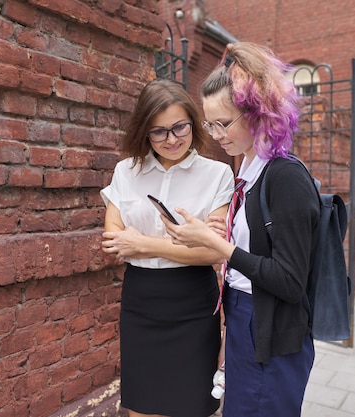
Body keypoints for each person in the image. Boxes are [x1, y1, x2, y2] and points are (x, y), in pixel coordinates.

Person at [161, 42, 320, 416]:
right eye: (209, 123)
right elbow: (258, 248)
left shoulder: (284, 176)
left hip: (271, 330)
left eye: (224, 122)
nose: (215, 134)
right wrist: (222, 231)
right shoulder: (248, 171)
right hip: (243, 319)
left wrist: (222, 248)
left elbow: (291, 281)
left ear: (259, 113)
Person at [100, 78, 234, 417]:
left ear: (193, 121)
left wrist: (143, 243)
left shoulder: (218, 175)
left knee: (191, 406)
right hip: (141, 301)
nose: (171, 139)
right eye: (158, 132)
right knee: (142, 407)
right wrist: (184, 243)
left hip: (193, 302)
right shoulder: (126, 172)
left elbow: (214, 253)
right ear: (144, 132)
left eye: (179, 127)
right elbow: (115, 241)